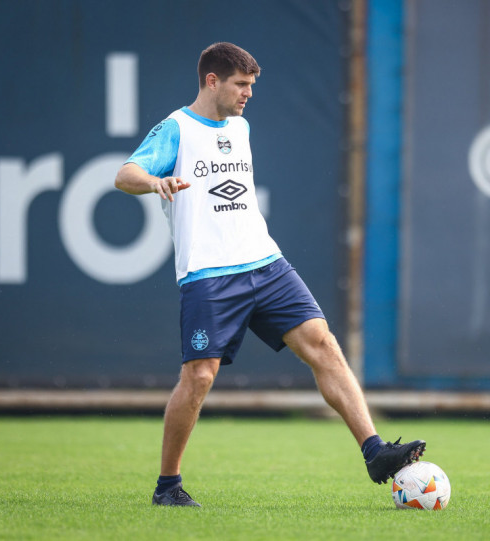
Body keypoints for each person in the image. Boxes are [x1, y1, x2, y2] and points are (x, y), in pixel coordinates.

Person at [114, 42, 425, 507]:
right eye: (240, 84)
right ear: (211, 81)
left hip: (264, 261)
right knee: (199, 376)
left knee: (324, 345)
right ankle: (168, 487)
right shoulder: (176, 128)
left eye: (251, 85)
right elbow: (125, 173)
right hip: (210, 273)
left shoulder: (240, 127)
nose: (248, 94)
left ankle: (375, 452)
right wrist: (155, 181)